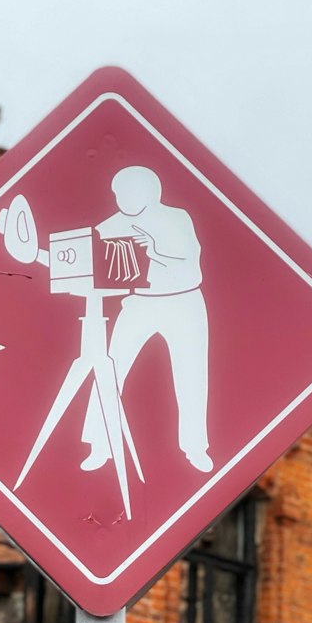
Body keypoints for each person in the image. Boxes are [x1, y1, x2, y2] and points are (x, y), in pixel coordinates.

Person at [81, 165, 212, 474]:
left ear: (150, 192)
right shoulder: (110, 225)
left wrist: (155, 250)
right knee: (109, 369)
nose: (121, 199)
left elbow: (193, 269)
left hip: (185, 301)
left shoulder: (177, 219)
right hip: (139, 302)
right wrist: (41, 254)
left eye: (128, 192)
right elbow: (89, 263)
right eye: (118, 193)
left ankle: (195, 448)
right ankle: (99, 445)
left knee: (191, 375)